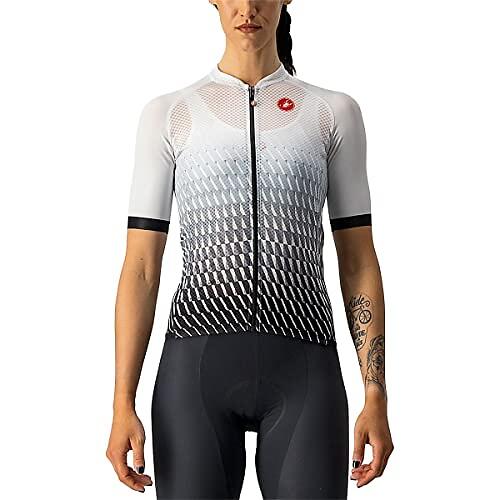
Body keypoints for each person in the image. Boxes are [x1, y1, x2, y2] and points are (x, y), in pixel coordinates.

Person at [106, 1, 394, 498]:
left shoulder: (331, 112)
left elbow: (358, 261)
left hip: (306, 368)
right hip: (195, 370)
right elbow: (142, 267)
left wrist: (376, 394)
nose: (247, 8)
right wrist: (121, 403)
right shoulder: (171, 114)